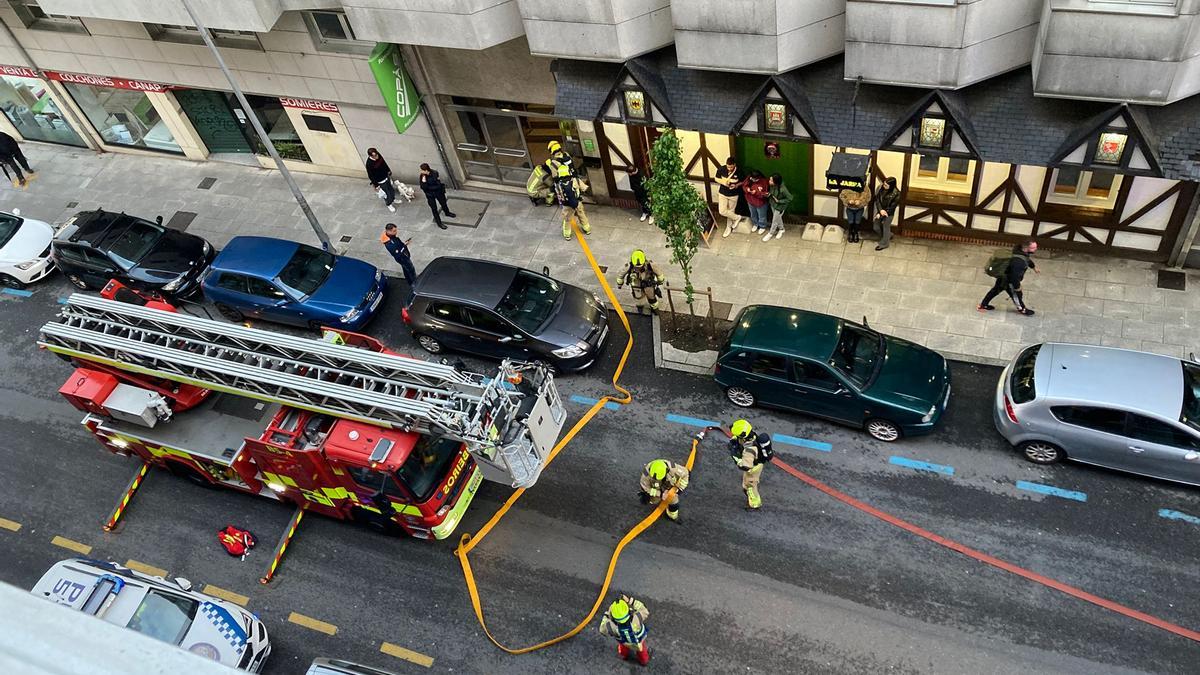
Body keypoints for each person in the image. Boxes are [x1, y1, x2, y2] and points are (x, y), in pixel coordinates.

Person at [979, 240, 1039, 316]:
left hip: (1003, 276)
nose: (1036, 249)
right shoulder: (1019, 262)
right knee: (1016, 295)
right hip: (1009, 280)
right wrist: (1017, 287)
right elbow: (1014, 277)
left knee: (995, 290)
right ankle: (1022, 309)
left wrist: (1033, 267)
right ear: (1026, 248)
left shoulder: (1018, 251)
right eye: (1033, 248)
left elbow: (1027, 259)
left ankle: (983, 305)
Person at [728, 419, 773, 509]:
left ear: (743, 438)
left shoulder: (750, 450)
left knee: (750, 486)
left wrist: (736, 457)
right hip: (755, 463)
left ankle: (755, 503)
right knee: (746, 482)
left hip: (753, 468)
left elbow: (746, 466)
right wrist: (734, 440)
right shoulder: (752, 436)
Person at [599, 595, 651, 666]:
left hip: (623, 642)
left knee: (623, 648)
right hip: (638, 641)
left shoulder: (611, 626)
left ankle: (623, 656)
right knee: (641, 650)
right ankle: (644, 661)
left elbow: (602, 630)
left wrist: (608, 614)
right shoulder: (636, 619)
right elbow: (644, 610)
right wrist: (630, 601)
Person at [639, 458, 689, 522]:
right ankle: (652, 499)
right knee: (654, 500)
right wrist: (660, 494)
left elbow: (685, 474)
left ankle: (672, 516)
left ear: (667, 470)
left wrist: (679, 490)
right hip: (655, 486)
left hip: (669, 483)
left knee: (674, 501)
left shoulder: (673, 467)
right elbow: (646, 488)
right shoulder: (646, 474)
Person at [617, 249, 664, 314]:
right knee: (638, 298)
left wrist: (660, 281)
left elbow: (659, 274)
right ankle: (640, 307)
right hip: (636, 284)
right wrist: (619, 284)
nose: (638, 268)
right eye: (636, 267)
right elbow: (621, 276)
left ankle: (655, 309)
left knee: (651, 298)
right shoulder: (629, 266)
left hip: (648, 284)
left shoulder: (650, 265)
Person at [554, 163, 591, 240]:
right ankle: (587, 229)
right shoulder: (575, 180)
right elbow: (585, 188)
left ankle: (567, 235)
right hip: (577, 202)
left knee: (567, 219)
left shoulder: (558, 185)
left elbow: (558, 195)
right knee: (581, 215)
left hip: (567, 205)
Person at [380, 223, 417, 292]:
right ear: (388, 231)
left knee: (406, 269)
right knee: (411, 270)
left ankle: (410, 282)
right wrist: (404, 245)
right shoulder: (389, 243)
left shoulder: (391, 236)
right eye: (394, 231)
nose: (396, 232)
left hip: (403, 256)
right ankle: (415, 283)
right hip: (402, 258)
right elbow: (398, 253)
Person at [716, 156, 746, 237]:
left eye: (731, 167)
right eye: (728, 167)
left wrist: (736, 185)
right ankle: (737, 218)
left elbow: (743, 181)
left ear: (734, 165)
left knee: (731, 211)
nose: (729, 168)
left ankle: (728, 228)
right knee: (722, 211)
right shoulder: (721, 169)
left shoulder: (739, 171)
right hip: (722, 193)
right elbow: (716, 178)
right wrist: (724, 182)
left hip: (734, 194)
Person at [419, 163, 455, 230]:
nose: (421, 171)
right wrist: (424, 182)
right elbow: (423, 187)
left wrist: (428, 187)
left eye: (422, 170)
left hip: (438, 192)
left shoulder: (435, 173)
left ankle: (447, 212)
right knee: (434, 208)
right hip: (430, 195)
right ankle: (439, 223)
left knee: (443, 203)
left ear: (426, 170)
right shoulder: (422, 176)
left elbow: (438, 185)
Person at [365, 148, 396, 213]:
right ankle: (389, 204)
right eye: (374, 156)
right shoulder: (369, 164)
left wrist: (388, 170)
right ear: (370, 156)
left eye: (376, 154)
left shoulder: (378, 155)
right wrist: (376, 185)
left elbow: (384, 162)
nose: (376, 156)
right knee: (386, 194)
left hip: (386, 177)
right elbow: (371, 176)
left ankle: (393, 199)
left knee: (391, 190)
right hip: (380, 181)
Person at [874, 177, 901, 251]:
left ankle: (884, 243)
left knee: (886, 227)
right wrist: (880, 211)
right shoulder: (881, 189)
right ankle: (888, 236)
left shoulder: (897, 194)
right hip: (881, 211)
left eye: (886, 185)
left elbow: (892, 207)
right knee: (876, 226)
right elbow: (878, 200)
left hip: (889, 213)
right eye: (884, 184)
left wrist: (882, 212)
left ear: (891, 186)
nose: (884, 186)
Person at [765, 173, 792, 241]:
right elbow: (772, 192)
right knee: (778, 218)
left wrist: (779, 201)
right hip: (773, 204)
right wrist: (769, 194)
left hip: (779, 207)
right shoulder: (772, 186)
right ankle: (781, 229)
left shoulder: (783, 189)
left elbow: (790, 198)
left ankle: (770, 233)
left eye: (771, 180)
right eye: (770, 179)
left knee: (774, 221)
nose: (769, 181)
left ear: (776, 182)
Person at [743, 170, 771, 235]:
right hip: (750, 201)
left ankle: (762, 226)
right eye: (752, 178)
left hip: (760, 203)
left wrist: (756, 193)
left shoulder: (764, 182)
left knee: (762, 216)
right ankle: (755, 224)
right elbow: (744, 186)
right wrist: (747, 189)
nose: (753, 180)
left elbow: (765, 194)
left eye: (755, 179)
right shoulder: (749, 178)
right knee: (753, 214)